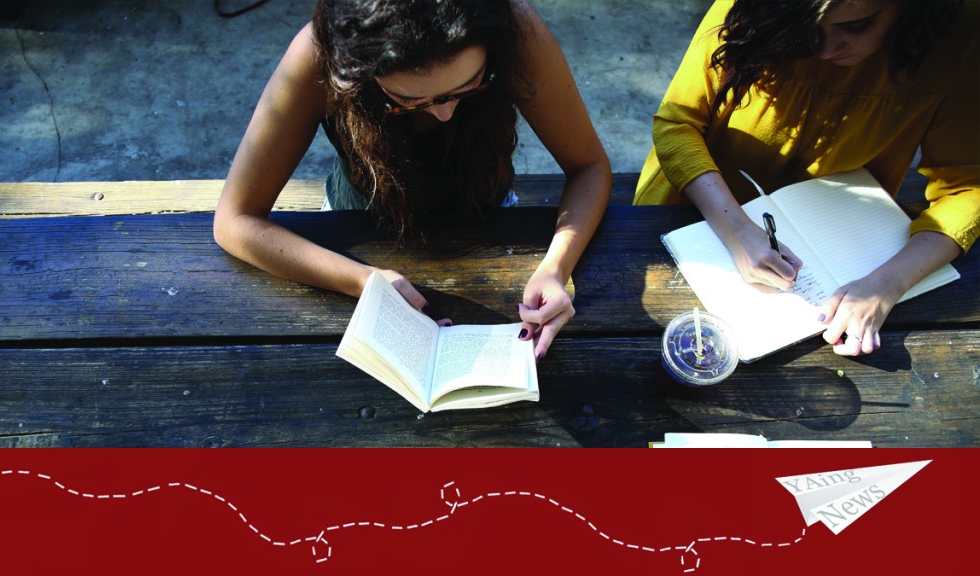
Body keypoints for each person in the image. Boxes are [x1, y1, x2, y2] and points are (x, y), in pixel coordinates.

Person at [214, 0, 611, 359]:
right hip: (355, 225)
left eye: (469, 85)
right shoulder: (318, 55)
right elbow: (235, 221)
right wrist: (364, 281)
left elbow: (589, 166)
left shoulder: (515, 27)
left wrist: (556, 268)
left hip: (490, 214)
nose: (445, 114)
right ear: (355, 71)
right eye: (408, 101)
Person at [634, 0, 979, 356]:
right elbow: (678, 124)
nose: (827, 49)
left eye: (857, 26)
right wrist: (736, 229)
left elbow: (968, 187)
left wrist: (886, 285)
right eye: (810, 28)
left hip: (848, 247)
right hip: (691, 206)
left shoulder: (960, 40)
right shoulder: (750, 9)